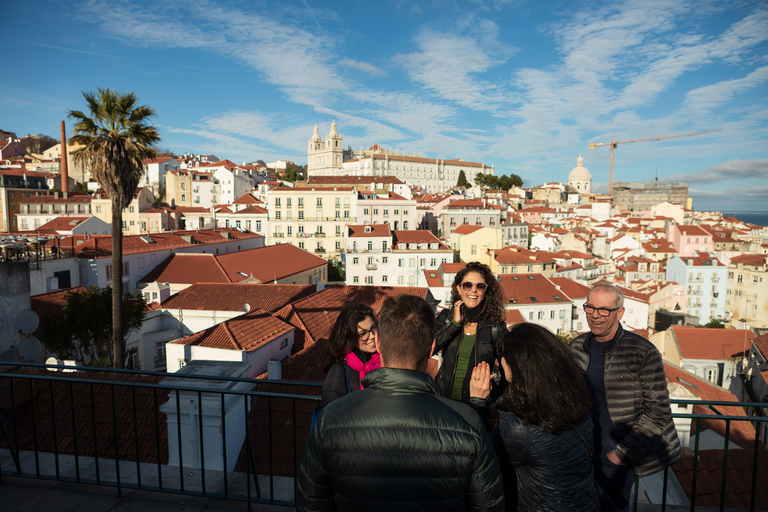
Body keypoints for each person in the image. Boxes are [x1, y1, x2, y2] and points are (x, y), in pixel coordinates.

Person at [297, 294, 505, 512]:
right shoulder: (469, 424)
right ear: (431, 347)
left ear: (379, 343)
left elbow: (312, 504)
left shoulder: (329, 422)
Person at [571, 282, 681, 512]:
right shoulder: (577, 346)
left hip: (615, 456)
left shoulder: (642, 351)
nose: (595, 315)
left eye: (604, 310)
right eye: (589, 308)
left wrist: (621, 455)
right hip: (581, 452)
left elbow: (658, 411)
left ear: (620, 312)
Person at [469, 323, 599, 511]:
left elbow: (475, 455)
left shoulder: (521, 429)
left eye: (502, 353)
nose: (500, 360)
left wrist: (477, 401)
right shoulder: (577, 404)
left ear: (516, 366)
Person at [435, 261, 507, 401]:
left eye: (480, 286)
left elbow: (507, 375)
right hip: (443, 401)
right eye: (467, 285)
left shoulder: (496, 327)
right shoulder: (446, 318)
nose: (473, 290)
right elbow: (429, 348)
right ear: (458, 288)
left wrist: (494, 403)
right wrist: (454, 324)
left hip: (476, 404)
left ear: (486, 291)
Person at [319, 303, 380, 409]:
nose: (372, 336)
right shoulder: (338, 371)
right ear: (349, 337)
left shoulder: (385, 358)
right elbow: (329, 414)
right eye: (362, 334)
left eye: (373, 328)